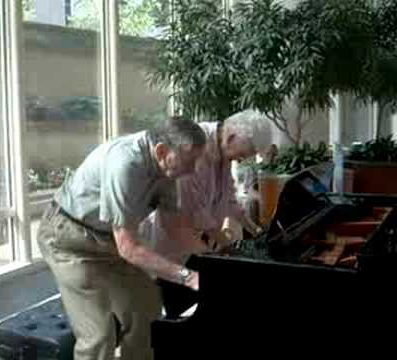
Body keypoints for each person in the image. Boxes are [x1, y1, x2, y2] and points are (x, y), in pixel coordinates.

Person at [37, 117, 207, 360]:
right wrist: (188, 277)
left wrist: (217, 258)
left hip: (109, 242)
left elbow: (175, 227)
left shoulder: (167, 169)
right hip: (69, 240)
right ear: (161, 151)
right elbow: (128, 248)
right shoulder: (125, 164)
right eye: (189, 161)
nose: (192, 169)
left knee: (147, 312)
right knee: (98, 335)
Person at [139, 109, 273, 263]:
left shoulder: (223, 149)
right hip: (171, 240)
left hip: (196, 241)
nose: (241, 160)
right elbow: (195, 212)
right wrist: (230, 249)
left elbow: (229, 198)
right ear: (231, 138)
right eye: (242, 154)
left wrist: (256, 231)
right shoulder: (194, 146)